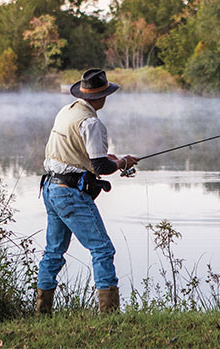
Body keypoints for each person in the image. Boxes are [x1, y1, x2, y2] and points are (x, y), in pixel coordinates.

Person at [36, 68, 138, 315]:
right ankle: (109, 314)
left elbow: (82, 154)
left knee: (53, 252)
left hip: (50, 188)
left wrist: (111, 158)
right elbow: (101, 166)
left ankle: (41, 312)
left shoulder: (67, 111)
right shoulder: (91, 122)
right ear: (101, 97)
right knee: (103, 249)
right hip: (70, 193)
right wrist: (122, 162)